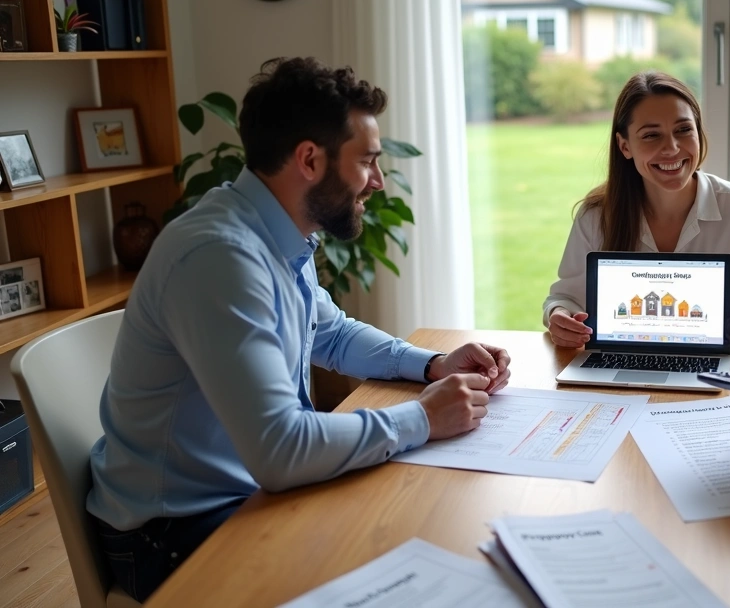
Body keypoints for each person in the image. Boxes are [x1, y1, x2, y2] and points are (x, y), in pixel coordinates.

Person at [86, 57, 512, 601]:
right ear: (310, 159)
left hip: (245, 491)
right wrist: (424, 416)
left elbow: (328, 334)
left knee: (423, 532)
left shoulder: (277, 231)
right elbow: (282, 450)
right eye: (368, 162)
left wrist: (431, 364)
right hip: (171, 530)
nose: (378, 182)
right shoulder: (221, 257)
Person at [544, 72, 730, 352]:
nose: (671, 148)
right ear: (624, 146)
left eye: (683, 130)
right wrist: (560, 316)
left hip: (725, 380)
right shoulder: (596, 216)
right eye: (651, 135)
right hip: (622, 380)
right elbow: (565, 299)